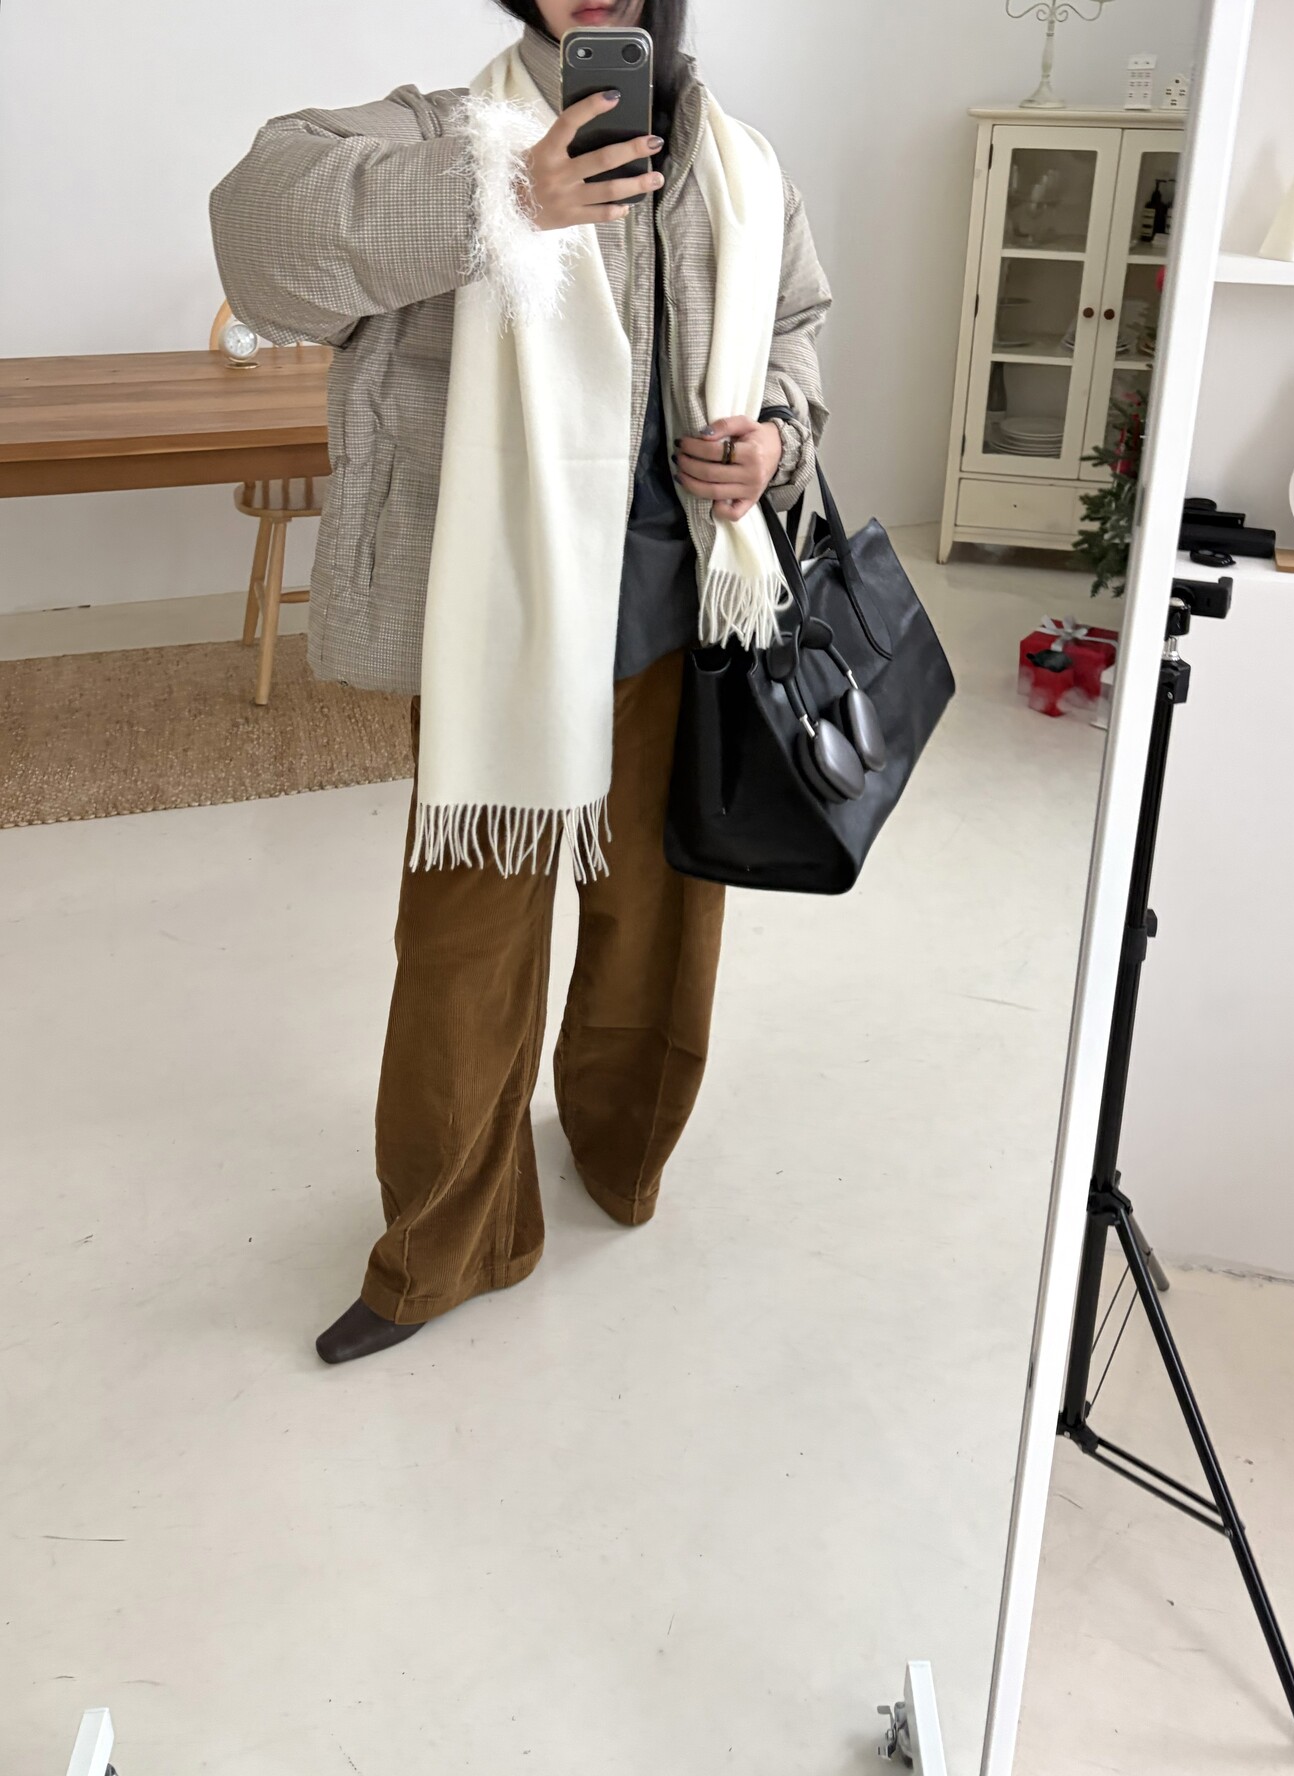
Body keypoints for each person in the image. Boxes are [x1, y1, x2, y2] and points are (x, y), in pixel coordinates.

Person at [209, 0, 832, 1364]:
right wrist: (499, 194)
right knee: (466, 944)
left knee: (662, 924)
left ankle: (620, 1152)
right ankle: (451, 1241)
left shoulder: (742, 162)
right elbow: (259, 241)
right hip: (499, 622)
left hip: (686, 610)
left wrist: (773, 440)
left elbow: (794, 322)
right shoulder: (448, 130)